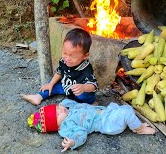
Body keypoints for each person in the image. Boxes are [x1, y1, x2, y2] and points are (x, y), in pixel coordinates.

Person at [27, 99, 156, 152]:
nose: (61, 110)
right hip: (106, 124)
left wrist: (61, 105)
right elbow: (80, 134)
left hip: (106, 112)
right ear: (58, 126)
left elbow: (67, 102)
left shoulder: (68, 109)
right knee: (127, 111)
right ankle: (139, 129)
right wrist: (72, 142)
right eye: (57, 114)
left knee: (122, 108)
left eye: (57, 108)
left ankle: (133, 124)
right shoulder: (68, 125)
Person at [22, 28, 98, 105]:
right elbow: (59, 72)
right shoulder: (64, 60)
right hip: (66, 86)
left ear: (85, 56)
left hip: (79, 91)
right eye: (65, 53)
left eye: (73, 56)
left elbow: (93, 85)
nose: (67, 58)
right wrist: (51, 83)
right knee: (51, 86)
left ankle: (91, 103)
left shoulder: (86, 68)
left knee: (84, 95)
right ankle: (38, 97)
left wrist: (83, 88)